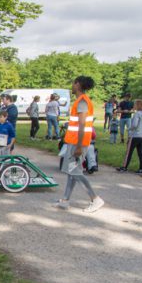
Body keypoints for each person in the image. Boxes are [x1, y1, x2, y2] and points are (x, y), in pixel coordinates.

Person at [53, 76, 104, 213]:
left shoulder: (82, 102)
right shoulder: (80, 101)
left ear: (79, 85)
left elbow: (82, 124)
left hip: (78, 143)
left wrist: (80, 146)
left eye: (74, 82)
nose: (72, 85)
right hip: (75, 142)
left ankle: (95, 198)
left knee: (75, 171)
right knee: (72, 172)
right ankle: (65, 200)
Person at [117, 99, 142, 174]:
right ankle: (141, 169)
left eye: (134, 104)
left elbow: (134, 125)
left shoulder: (137, 114)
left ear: (137, 105)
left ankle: (124, 167)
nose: (133, 106)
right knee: (141, 152)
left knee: (129, 152)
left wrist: (129, 128)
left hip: (135, 136)